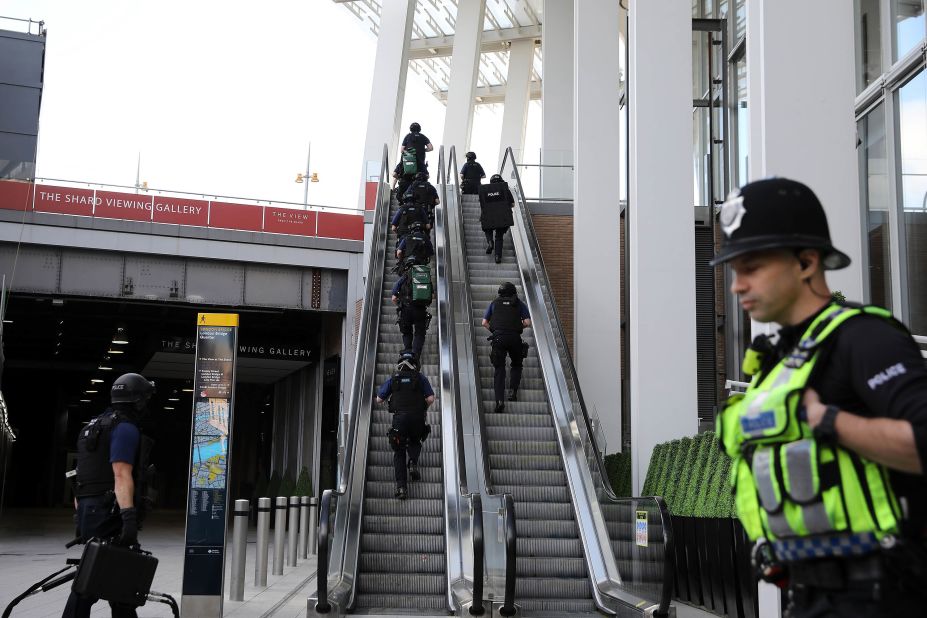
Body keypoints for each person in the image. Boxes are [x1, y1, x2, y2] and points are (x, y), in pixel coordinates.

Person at [712, 177, 927, 617]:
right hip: (808, 596)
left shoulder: (865, 338)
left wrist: (829, 421)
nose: (737, 286)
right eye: (735, 272)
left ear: (807, 263)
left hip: (885, 597)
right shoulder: (776, 362)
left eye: (751, 268)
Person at [64, 373, 156, 618]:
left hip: (89, 509)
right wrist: (128, 517)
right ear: (137, 400)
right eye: (145, 398)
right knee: (91, 583)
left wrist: (81, 513)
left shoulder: (92, 426)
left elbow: (80, 479)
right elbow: (121, 474)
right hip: (109, 512)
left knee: (118, 580)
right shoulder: (124, 428)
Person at [375, 350, 435, 500]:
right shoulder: (420, 378)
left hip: (399, 419)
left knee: (399, 451)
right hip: (417, 418)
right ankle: (413, 462)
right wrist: (422, 405)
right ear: (415, 364)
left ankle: (401, 487)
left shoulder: (394, 378)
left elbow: (379, 399)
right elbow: (431, 398)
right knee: (416, 440)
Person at [482, 282, 531, 413]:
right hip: (515, 338)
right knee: (516, 364)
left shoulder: (494, 303)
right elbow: (527, 322)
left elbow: (484, 322)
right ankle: (512, 392)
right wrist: (516, 326)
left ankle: (499, 401)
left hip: (498, 338)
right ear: (514, 292)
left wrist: (495, 330)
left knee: (499, 368)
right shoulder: (519, 303)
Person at [392, 267, 432, 359]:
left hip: (406, 309)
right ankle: (416, 355)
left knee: (406, 332)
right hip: (420, 310)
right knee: (420, 333)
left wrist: (400, 304)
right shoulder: (425, 277)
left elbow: (393, 297)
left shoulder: (403, 278)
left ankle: (407, 353)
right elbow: (431, 295)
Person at [478, 174, 515, 264]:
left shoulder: (485, 190)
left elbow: (482, 204)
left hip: (489, 215)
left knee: (487, 228)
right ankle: (498, 256)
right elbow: (513, 204)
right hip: (503, 216)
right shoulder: (505, 189)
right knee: (499, 236)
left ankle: (490, 242)